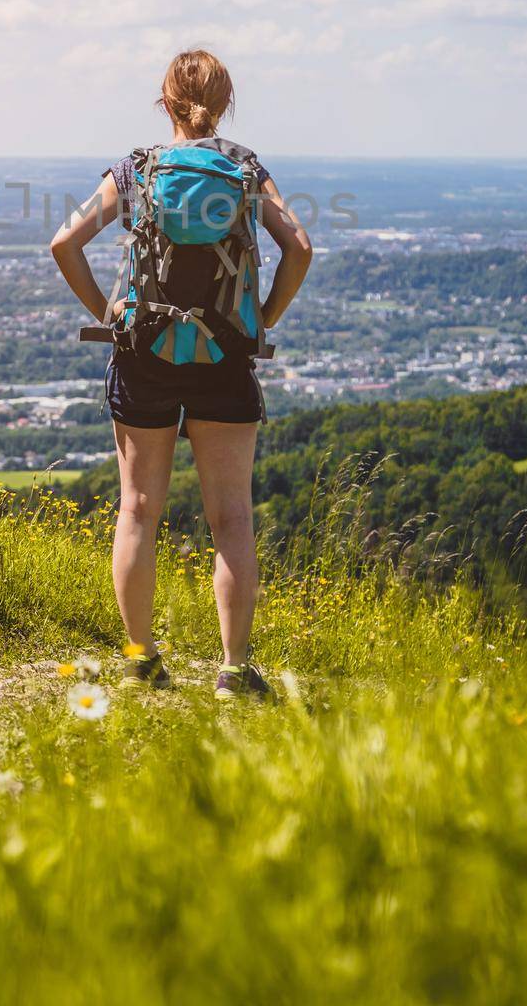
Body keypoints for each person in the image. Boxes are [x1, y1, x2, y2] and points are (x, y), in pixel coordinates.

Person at [50, 48, 312, 698]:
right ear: (223, 104)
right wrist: (262, 319)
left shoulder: (136, 170)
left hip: (144, 353)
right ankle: (231, 670)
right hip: (224, 353)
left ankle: (140, 660)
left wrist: (108, 311)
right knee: (231, 520)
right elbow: (299, 247)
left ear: (163, 102)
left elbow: (64, 242)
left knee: (137, 510)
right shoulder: (245, 170)